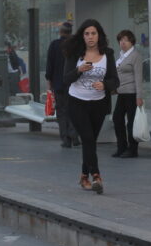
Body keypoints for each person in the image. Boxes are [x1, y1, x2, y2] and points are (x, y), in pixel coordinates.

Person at [62, 19, 119, 195]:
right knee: (87, 138)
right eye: (87, 34)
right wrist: (79, 70)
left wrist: (105, 85)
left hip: (99, 104)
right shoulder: (74, 54)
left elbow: (115, 80)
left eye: (93, 33)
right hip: (77, 102)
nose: (90, 37)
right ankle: (97, 176)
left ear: (99, 35)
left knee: (90, 141)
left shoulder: (107, 54)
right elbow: (65, 79)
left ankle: (84, 176)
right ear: (82, 36)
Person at [112, 30, 145, 158]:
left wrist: (139, 96)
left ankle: (133, 149)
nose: (123, 43)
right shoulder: (121, 55)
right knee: (117, 118)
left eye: (126, 40)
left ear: (132, 41)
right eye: (121, 40)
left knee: (131, 122)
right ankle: (121, 147)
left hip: (132, 93)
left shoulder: (136, 55)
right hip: (121, 92)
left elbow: (138, 77)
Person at [45, 22, 77, 147]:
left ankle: (66, 138)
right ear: (70, 33)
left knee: (62, 111)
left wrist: (49, 80)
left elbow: (50, 65)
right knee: (73, 110)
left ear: (60, 32)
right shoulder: (75, 45)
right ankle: (74, 135)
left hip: (58, 84)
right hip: (74, 84)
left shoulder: (54, 45)